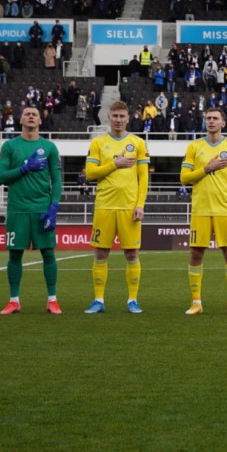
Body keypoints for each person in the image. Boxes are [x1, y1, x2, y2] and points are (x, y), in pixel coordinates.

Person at [0, 106, 63, 315]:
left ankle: (52, 300)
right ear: (20, 119)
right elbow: (0, 177)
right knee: (15, 255)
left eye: (35, 114)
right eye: (27, 114)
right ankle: (14, 300)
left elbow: (57, 179)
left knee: (48, 253)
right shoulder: (9, 146)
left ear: (40, 120)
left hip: (42, 208)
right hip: (17, 209)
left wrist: (54, 207)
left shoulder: (49, 147)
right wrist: (25, 168)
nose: (31, 116)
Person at [83, 101, 150, 314]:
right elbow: (90, 174)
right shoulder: (98, 143)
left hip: (129, 208)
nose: (119, 119)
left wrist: (140, 204)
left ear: (128, 118)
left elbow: (143, 177)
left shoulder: (138, 143)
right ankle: (99, 300)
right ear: (109, 118)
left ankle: (132, 300)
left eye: (122, 116)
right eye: (115, 116)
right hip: (104, 206)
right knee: (101, 253)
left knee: (132, 254)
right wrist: (115, 164)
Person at [180, 107, 227, 315]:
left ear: (223, 123)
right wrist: (207, 169)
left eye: (215, 118)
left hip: (224, 209)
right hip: (200, 208)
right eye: (208, 118)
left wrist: (226, 193)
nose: (211, 121)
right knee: (196, 253)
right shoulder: (194, 147)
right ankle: (196, 302)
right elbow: (184, 178)